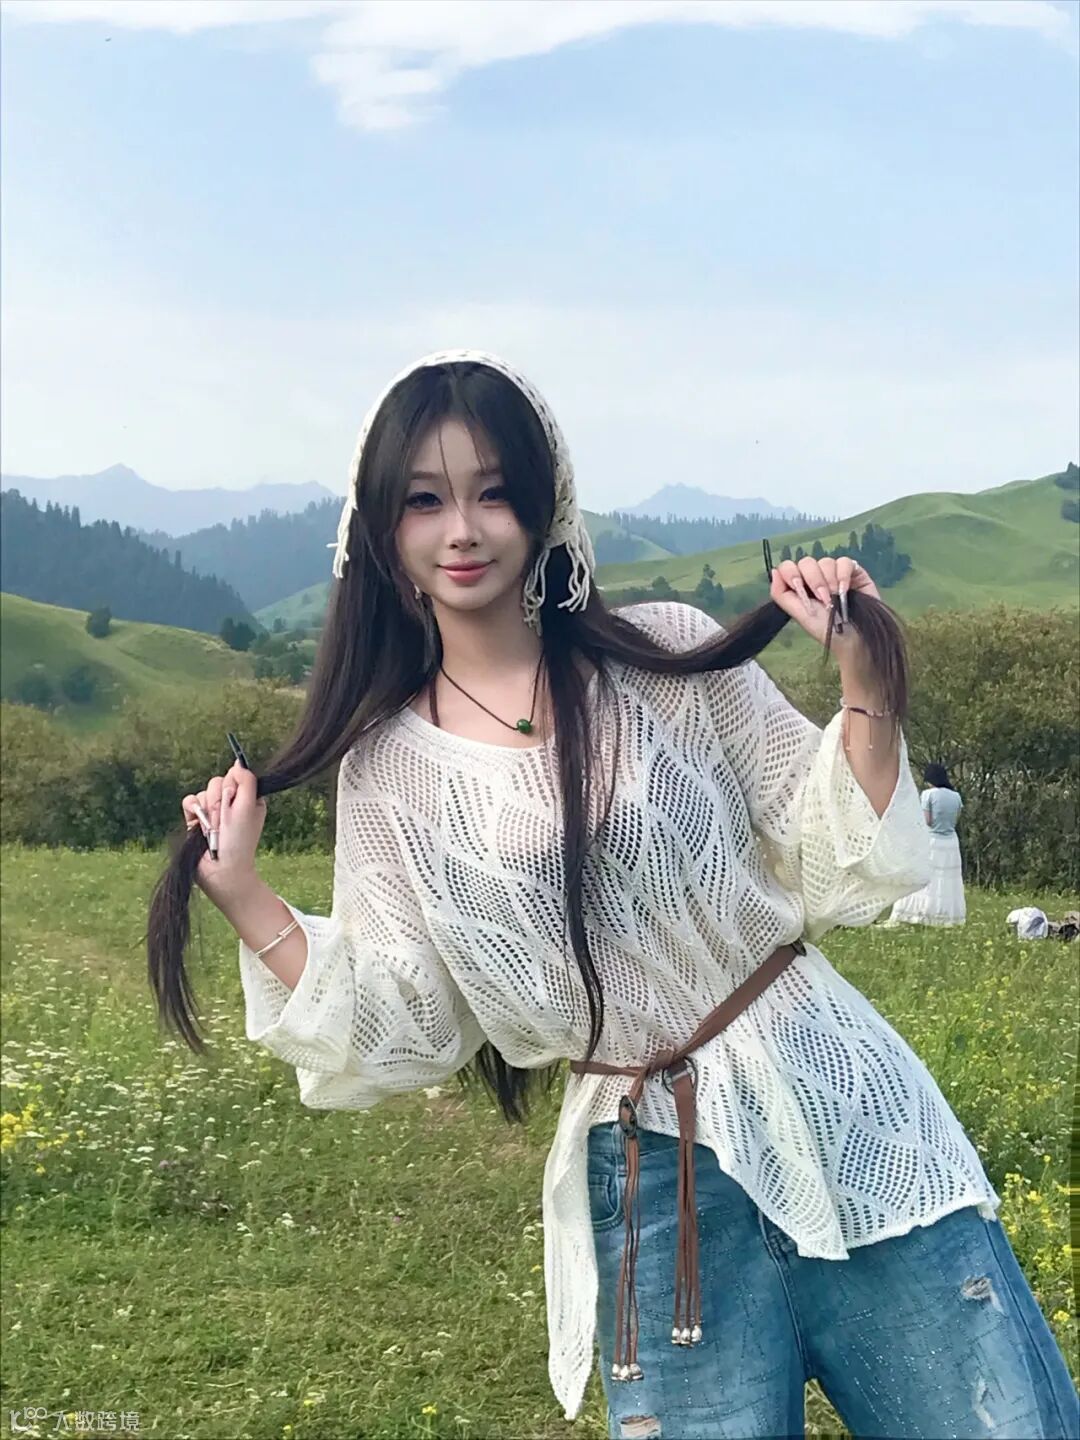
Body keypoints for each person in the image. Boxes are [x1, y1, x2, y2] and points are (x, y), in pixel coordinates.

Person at [147, 352, 1078, 1439]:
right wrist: (246, 894)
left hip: (831, 1095)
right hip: (644, 1169)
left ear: (546, 504)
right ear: (382, 528)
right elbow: (408, 1016)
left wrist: (866, 680)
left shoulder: (665, 655)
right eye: (425, 500)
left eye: (495, 491)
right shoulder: (387, 769)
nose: (463, 530)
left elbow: (833, 849)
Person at [883, 762, 966, 927]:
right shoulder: (956, 796)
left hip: (932, 840)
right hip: (950, 843)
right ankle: (943, 916)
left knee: (923, 876)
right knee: (945, 880)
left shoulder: (928, 795)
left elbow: (927, 821)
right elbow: (955, 820)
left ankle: (917, 912)